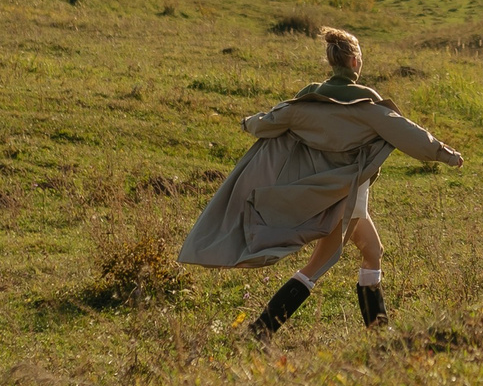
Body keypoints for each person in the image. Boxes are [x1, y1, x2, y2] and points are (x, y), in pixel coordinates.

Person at [177, 26, 463, 342]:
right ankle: (262, 329)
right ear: (355, 62)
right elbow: (411, 134)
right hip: (345, 198)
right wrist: (447, 155)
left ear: (332, 63)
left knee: (373, 251)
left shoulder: (302, 107)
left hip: (331, 194)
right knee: (319, 265)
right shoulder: (368, 110)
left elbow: (267, 122)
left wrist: (248, 122)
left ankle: (378, 331)